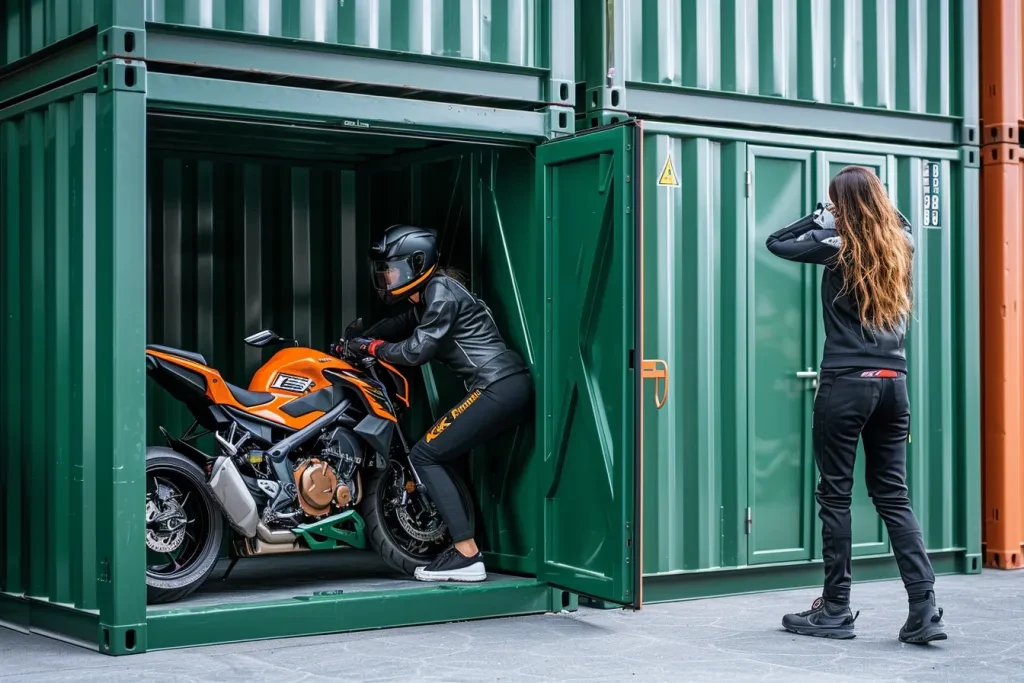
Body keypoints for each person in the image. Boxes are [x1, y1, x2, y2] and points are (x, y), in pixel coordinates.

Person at [765, 166, 946, 644]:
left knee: (836, 496)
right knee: (893, 495)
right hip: (894, 384)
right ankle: (924, 608)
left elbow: (778, 242)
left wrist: (820, 216)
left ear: (839, 205)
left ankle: (836, 608)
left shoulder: (837, 244)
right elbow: (898, 221)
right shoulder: (901, 244)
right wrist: (875, 210)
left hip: (847, 383)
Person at [345, 224, 532, 583]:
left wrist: (370, 349)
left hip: (498, 386)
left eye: (394, 269)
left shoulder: (441, 290)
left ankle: (467, 556)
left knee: (423, 456)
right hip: (502, 385)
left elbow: (415, 351)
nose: (387, 277)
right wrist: (358, 338)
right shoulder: (429, 296)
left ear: (419, 263)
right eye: (384, 270)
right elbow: (398, 324)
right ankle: (461, 548)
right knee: (442, 454)